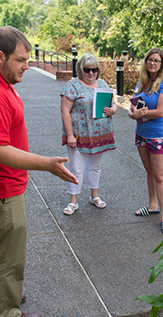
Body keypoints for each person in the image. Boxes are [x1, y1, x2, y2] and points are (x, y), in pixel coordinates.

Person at [0, 26, 78, 317]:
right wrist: (46, 164)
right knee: (8, 252)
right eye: (21, 59)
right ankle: (6, 314)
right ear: (0, 57)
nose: (27, 65)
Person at [61, 54, 117, 215]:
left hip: (99, 135)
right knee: (76, 168)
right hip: (79, 135)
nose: (91, 73)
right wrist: (70, 135)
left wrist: (112, 110)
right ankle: (73, 201)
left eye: (94, 70)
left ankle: (94, 196)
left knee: (95, 167)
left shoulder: (103, 84)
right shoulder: (72, 85)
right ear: (81, 70)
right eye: (87, 70)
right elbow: (65, 111)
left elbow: (113, 105)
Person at [128, 47, 163, 234]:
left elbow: (162, 111)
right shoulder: (142, 82)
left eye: (156, 60)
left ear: (162, 64)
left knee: (160, 176)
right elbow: (133, 108)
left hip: (159, 135)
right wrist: (134, 114)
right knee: (149, 171)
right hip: (142, 133)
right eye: (150, 60)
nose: (152, 63)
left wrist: (141, 113)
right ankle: (152, 205)